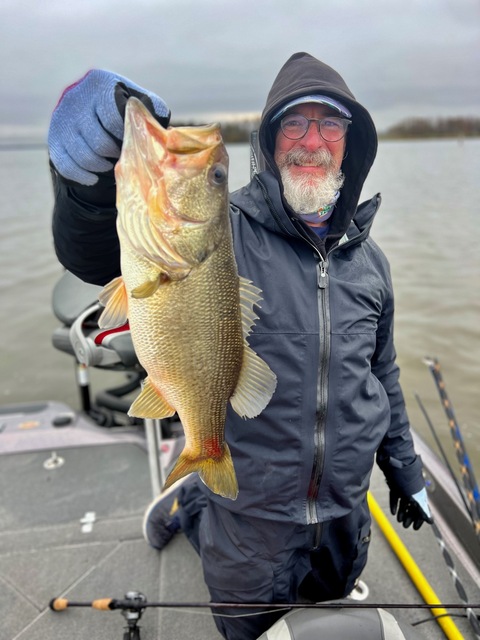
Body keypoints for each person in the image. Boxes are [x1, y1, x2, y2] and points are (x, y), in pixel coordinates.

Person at [48, 52, 432, 640]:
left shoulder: (371, 262)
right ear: (270, 142)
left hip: (345, 515)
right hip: (250, 523)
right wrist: (87, 192)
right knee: (247, 628)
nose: (312, 141)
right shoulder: (224, 228)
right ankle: (193, 506)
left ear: (351, 145)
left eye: (329, 124)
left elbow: (382, 371)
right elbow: (104, 250)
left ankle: (193, 501)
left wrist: (403, 467)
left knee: (328, 607)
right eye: (294, 124)